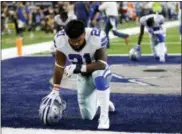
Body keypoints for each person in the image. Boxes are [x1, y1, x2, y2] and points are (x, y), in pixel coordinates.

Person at [39, 20, 115, 129]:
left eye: (79, 40)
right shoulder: (61, 40)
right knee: (87, 116)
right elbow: (59, 66)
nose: (76, 44)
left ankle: (104, 118)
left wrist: (79, 67)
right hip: (83, 75)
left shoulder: (96, 37)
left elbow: (102, 64)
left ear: (84, 34)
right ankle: (102, 102)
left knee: (99, 77)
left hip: (99, 70)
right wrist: (55, 89)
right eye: (73, 41)